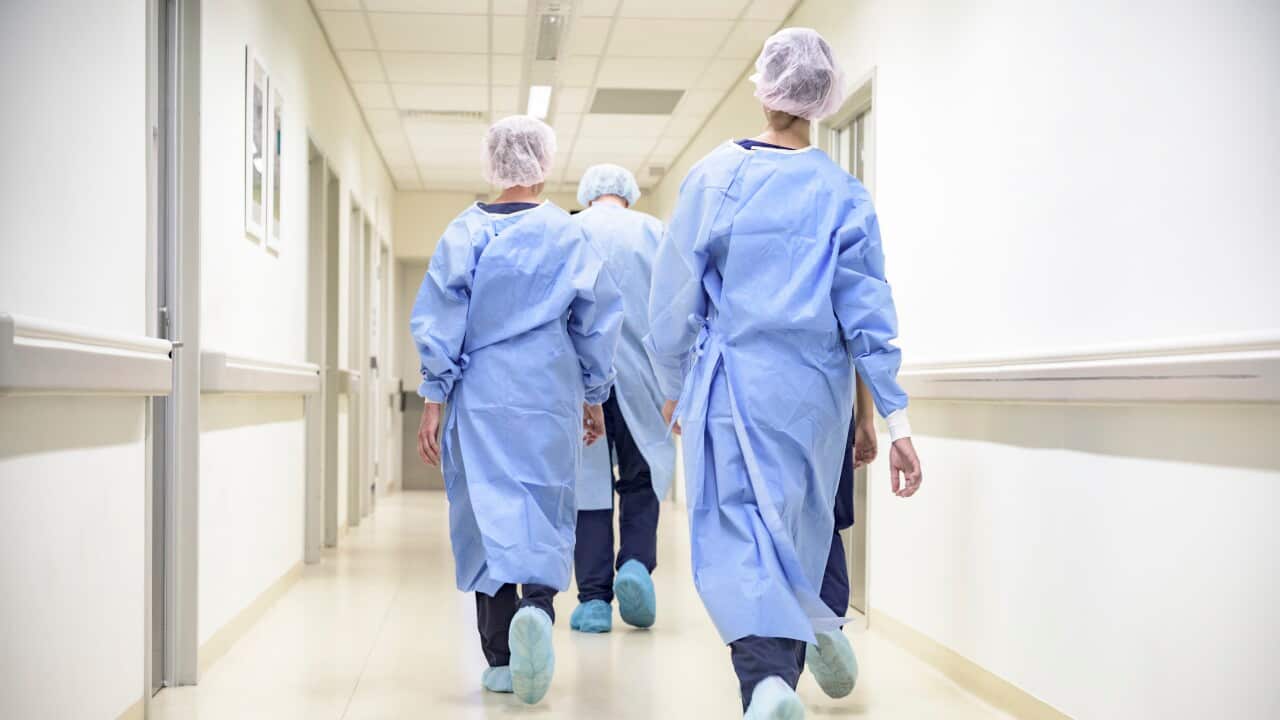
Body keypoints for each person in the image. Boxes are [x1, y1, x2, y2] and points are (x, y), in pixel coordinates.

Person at [646, 28, 924, 719]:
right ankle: (784, 673)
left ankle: (765, 685)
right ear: (823, 101)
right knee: (798, 537)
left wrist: (672, 385)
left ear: (765, 90)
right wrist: (895, 422)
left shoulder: (714, 178)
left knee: (739, 538)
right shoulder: (843, 194)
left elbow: (673, 299)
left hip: (729, 394)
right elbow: (868, 316)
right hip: (812, 407)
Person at [410, 115, 623, 705]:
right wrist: (594, 395)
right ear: (544, 165)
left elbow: (440, 323)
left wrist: (433, 404)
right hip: (548, 389)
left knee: (486, 514)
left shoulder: (464, 233)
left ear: (493, 164)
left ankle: (501, 658)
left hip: (480, 393)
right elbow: (597, 321)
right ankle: (537, 604)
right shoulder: (567, 233)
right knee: (544, 501)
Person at [568, 164, 677, 634]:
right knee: (641, 477)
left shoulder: (567, 231)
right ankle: (635, 564)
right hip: (645, 382)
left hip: (577, 384)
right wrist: (678, 388)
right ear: (628, 196)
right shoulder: (655, 232)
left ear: (588, 195)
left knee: (587, 487)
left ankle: (593, 600)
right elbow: (679, 311)